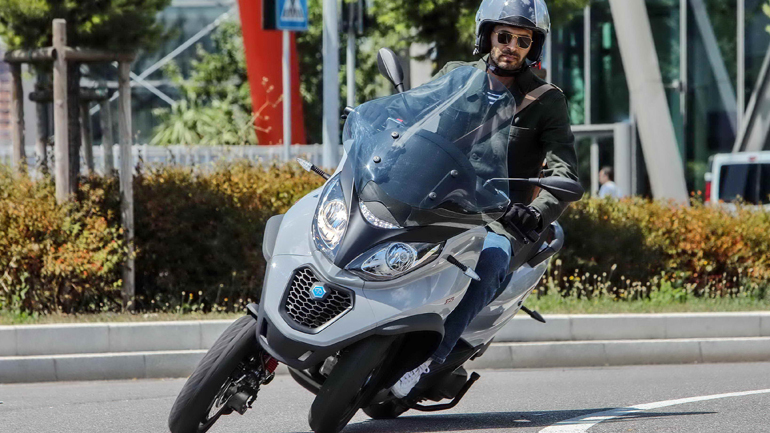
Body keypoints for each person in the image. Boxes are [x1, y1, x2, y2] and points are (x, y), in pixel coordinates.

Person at [391, 0, 580, 399]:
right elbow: (413, 114)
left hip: (499, 216)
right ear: (487, 35)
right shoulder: (456, 76)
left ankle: (430, 360)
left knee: (493, 258)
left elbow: (564, 172)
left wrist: (536, 213)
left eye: (523, 40)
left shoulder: (547, 100)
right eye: (504, 36)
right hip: (438, 197)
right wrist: (386, 125)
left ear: (533, 47)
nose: (512, 46)